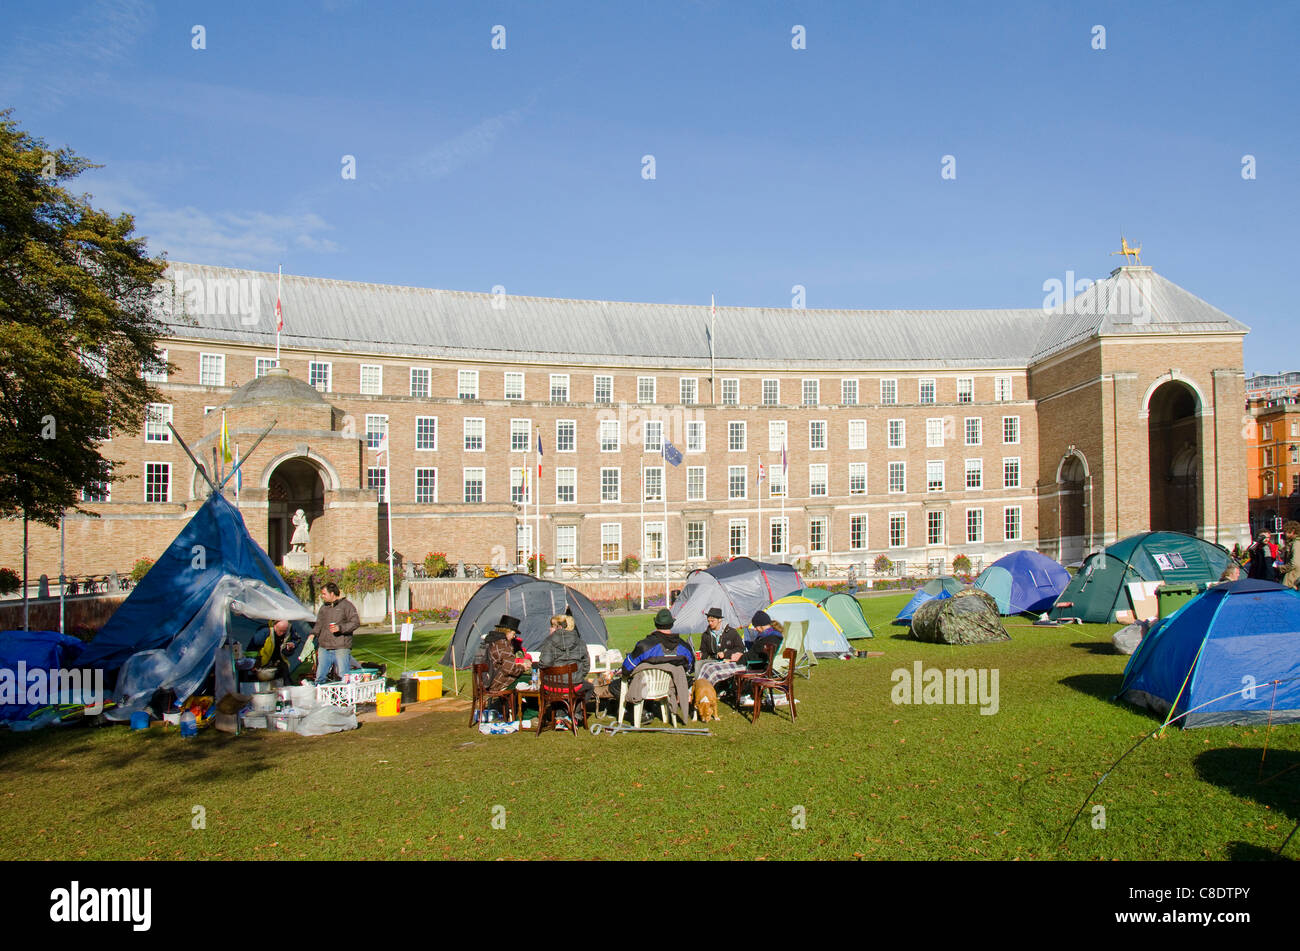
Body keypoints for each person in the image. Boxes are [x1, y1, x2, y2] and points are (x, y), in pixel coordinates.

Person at [620, 608, 693, 723]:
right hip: (668, 687)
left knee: (615, 686)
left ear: (656, 623)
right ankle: (649, 709)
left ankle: (642, 712)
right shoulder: (684, 647)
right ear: (672, 624)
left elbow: (626, 668)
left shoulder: (645, 645)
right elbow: (690, 668)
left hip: (644, 685)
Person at [538, 613, 592, 727]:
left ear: (559, 627)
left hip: (552, 686)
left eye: (552, 626)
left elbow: (545, 663)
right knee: (588, 687)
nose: (550, 628)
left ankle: (561, 715)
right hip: (574, 685)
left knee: (557, 687)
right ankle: (575, 715)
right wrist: (578, 676)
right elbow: (586, 665)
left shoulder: (549, 641)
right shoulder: (579, 641)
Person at [311, 582, 360, 684]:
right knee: (320, 675)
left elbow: (355, 622)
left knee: (343, 675)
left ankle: (345, 695)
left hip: (341, 646)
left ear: (332, 593)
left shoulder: (347, 606)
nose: (322, 596)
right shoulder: (324, 607)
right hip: (324, 647)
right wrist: (313, 634)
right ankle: (320, 696)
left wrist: (340, 628)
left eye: (324, 594)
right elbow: (319, 623)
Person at [696, 607, 749, 691]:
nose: (710, 623)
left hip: (728, 660)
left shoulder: (732, 632)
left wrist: (726, 654)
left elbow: (741, 648)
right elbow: (704, 650)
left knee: (707, 667)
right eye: (708, 621)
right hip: (713, 660)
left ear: (720, 620)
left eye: (712, 621)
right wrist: (701, 655)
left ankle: (706, 689)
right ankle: (700, 689)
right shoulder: (706, 635)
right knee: (699, 664)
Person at [481, 614, 532, 693]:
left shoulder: (489, 641)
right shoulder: (503, 645)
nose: (514, 637)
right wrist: (522, 667)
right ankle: (519, 704)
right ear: (507, 632)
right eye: (513, 634)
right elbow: (509, 669)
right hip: (494, 683)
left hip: (482, 681)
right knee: (526, 678)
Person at [1282, 521, 1300, 590]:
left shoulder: (1296, 543)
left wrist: (1281, 568)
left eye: (1285, 531)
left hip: (1293, 579)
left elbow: (1295, 563)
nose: (1284, 534)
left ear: (1292, 531)